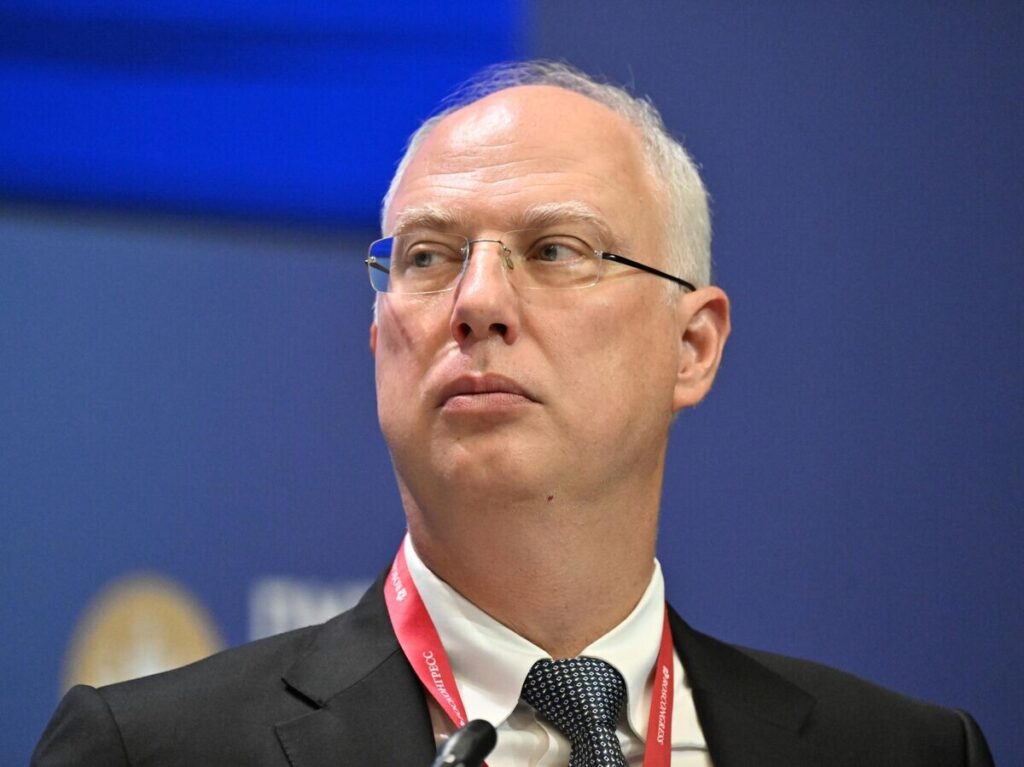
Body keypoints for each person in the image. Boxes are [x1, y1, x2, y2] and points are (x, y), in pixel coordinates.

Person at [33, 60, 993, 767]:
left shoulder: (907, 751)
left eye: (555, 250)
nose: (477, 301)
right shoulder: (150, 750)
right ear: (378, 339)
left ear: (692, 346)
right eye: (426, 256)